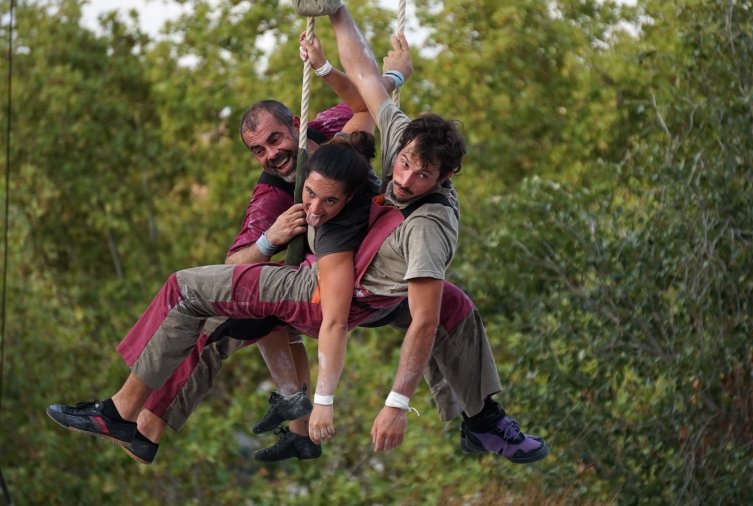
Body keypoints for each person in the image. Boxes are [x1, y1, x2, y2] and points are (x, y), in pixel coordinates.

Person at [47, 3, 548, 464]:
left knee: (192, 292)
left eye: (277, 141)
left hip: (338, 290)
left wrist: (393, 403)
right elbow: (368, 83)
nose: (404, 178)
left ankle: (131, 413)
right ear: (399, 148)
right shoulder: (334, 169)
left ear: (298, 128)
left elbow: (402, 322)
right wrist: (337, 13)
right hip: (358, 285)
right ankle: (479, 419)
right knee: (452, 307)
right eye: (405, 164)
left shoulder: (424, 225)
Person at [117, 35, 412, 465]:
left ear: (296, 123)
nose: (272, 154)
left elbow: (367, 101)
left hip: (368, 281)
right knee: (214, 315)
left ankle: (148, 423)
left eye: (276, 140)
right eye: (259, 150)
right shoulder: (272, 194)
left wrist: (385, 72)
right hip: (329, 289)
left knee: (224, 314)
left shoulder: (325, 128)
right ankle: (152, 425)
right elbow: (234, 265)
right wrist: (268, 240)